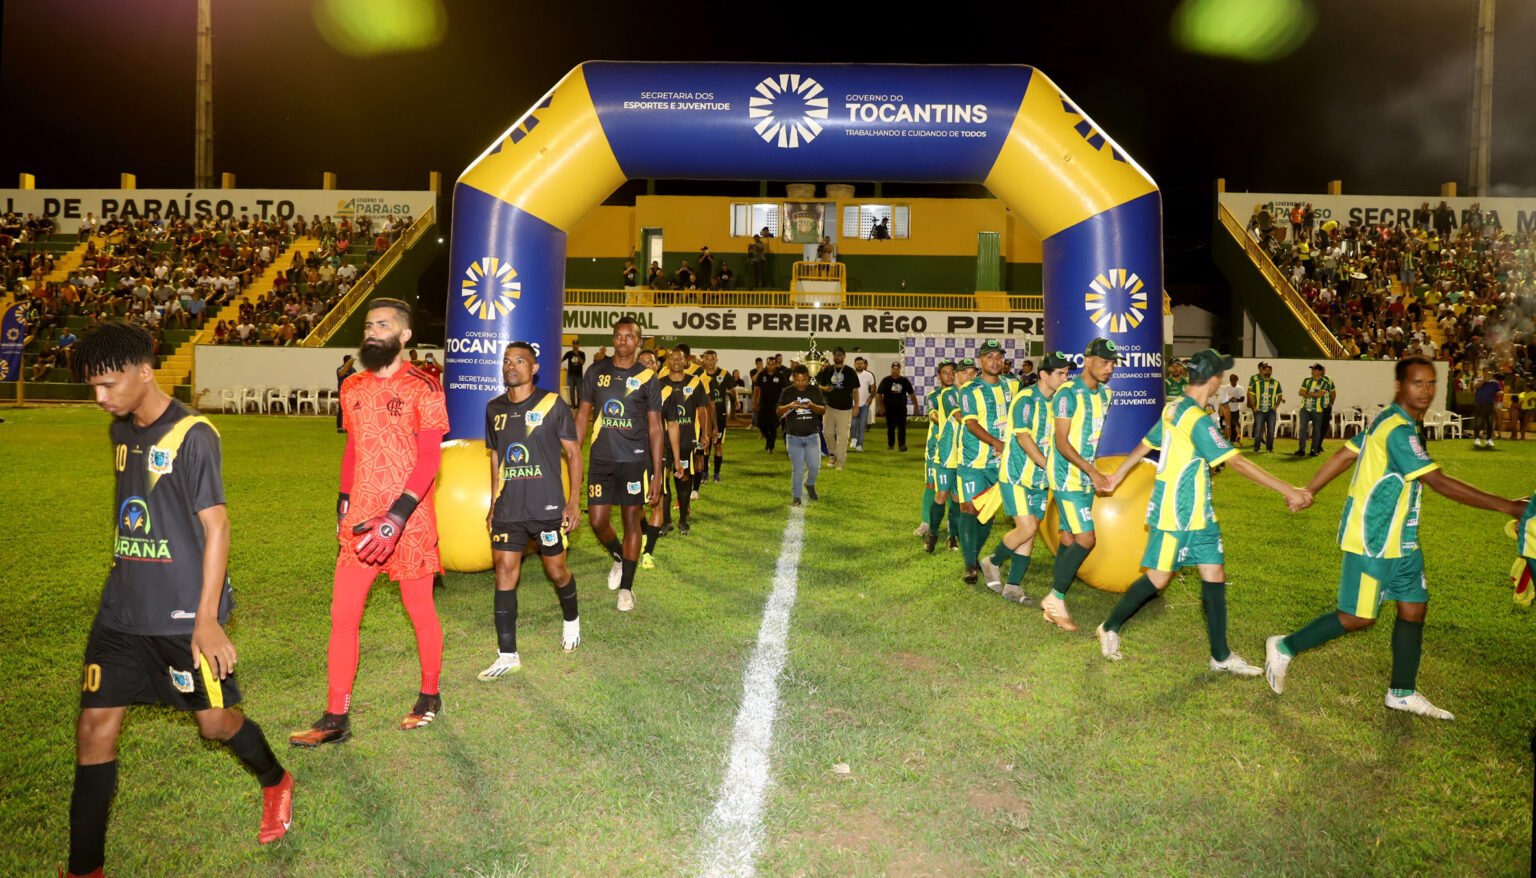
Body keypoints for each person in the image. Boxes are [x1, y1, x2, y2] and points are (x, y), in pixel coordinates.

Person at [64, 322, 293, 877]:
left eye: (109, 384)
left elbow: (217, 526)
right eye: (93, 387)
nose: (100, 398)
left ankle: (276, 780)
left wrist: (206, 619)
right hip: (121, 612)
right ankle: (84, 869)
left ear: (145, 372)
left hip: (182, 616)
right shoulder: (121, 431)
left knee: (215, 725)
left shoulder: (194, 434)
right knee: (94, 732)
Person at [1264, 357, 1526, 719]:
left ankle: (1402, 692)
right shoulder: (1398, 430)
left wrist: (1310, 490)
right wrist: (1509, 506)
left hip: (1403, 539)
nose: (1426, 390)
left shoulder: (1389, 420)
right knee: (1357, 617)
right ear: (1399, 385)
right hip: (1373, 539)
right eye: (1417, 383)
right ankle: (1284, 647)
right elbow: (1437, 481)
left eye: (1431, 383)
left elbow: (1346, 453)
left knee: (1414, 608)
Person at [291, 298, 448, 747]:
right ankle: (335, 716)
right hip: (361, 517)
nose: (373, 331)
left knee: (419, 610)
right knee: (343, 616)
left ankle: (429, 696)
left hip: (409, 519)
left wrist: (397, 516)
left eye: (383, 325)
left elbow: (430, 457)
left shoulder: (425, 386)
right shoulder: (353, 386)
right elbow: (354, 448)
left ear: (404, 335)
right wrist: (343, 503)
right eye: (368, 325)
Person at [1098, 350, 1311, 671]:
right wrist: (1289, 490)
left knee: (1214, 573)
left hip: (1199, 512)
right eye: (1220, 376)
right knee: (1158, 578)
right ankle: (1109, 626)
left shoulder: (1174, 407)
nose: (1220, 382)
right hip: (1175, 512)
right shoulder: (1195, 419)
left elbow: (1147, 442)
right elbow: (1237, 462)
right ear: (1212, 379)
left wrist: (1118, 475)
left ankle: (1221, 656)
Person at [479, 342, 584, 680]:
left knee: (557, 571)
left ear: (534, 368)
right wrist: (494, 503)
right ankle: (507, 654)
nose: (512, 366)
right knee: (504, 572)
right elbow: (496, 457)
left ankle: (571, 620)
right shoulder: (494, 408)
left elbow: (573, 453)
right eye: (507, 361)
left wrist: (573, 501)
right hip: (509, 507)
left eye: (520, 361)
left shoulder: (553, 404)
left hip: (547, 506)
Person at [574, 317, 664, 612]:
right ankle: (618, 556)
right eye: (618, 335)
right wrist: (573, 453)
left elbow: (655, 428)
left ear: (639, 342)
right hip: (601, 459)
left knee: (631, 520)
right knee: (597, 520)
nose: (623, 341)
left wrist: (657, 474)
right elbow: (583, 415)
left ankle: (626, 588)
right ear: (612, 339)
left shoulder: (648, 378)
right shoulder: (596, 371)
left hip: (634, 461)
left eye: (630, 336)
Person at [980, 351, 1073, 602]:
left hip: (1040, 481)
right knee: (1027, 527)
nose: (1065, 378)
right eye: (1060, 373)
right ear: (1043, 375)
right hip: (1016, 476)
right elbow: (1023, 438)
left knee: (1030, 532)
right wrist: (1048, 465)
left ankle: (1013, 586)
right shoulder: (1026, 399)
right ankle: (992, 561)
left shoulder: (1059, 403)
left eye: (1067, 373)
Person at [1041, 337, 1117, 631]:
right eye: (1104, 362)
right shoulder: (1067, 394)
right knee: (1086, 538)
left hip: (1085, 476)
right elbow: (1062, 443)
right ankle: (1055, 599)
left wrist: (1093, 472)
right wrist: (1092, 472)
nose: (1109, 368)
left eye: (1113, 364)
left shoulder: (1106, 394)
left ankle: (1055, 595)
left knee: (1070, 537)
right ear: (1087, 361)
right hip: (1066, 476)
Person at [954, 340, 1017, 586]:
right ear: (980, 361)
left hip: (999, 463)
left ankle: (974, 555)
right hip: (972, 460)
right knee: (969, 508)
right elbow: (971, 423)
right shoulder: (970, 389)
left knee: (986, 513)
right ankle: (970, 565)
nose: (995, 361)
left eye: (999, 357)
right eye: (989, 357)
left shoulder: (1013, 385)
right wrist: (996, 442)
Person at [919, 359, 959, 546]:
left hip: (957, 447)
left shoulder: (962, 394)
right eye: (945, 372)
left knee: (953, 489)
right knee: (931, 484)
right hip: (936, 446)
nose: (949, 375)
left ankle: (952, 526)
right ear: (939, 376)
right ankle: (925, 523)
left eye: (952, 372)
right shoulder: (934, 396)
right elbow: (933, 415)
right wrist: (947, 419)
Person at [777, 365, 826, 506]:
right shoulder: (787, 392)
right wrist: (790, 406)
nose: (801, 383)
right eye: (798, 380)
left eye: (804, 380)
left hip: (812, 436)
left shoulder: (814, 390)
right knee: (797, 469)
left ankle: (810, 484)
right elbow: (778, 411)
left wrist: (811, 406)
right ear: (793, 378)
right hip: (793, 437)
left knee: (815, 466)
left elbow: (823, 410)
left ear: (808, 378)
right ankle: (796, 497)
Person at [816, 347, 858, 469]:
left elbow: (855, 390)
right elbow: (818, 385)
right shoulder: (828, 370)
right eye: (835, 355)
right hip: (829, 407)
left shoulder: (850, 371)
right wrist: (825, 389)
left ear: (844, 356)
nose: (837, 357)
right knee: (827, 432)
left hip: (845, 409)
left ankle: (840, 462)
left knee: (843, 437)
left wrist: (856, 406)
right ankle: (832, 454)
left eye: (840, 355)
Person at [701, 350, 731, 483]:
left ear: (716, 360)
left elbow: (732, 388)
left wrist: (735, 401)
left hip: (720, 414)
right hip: (704, 414)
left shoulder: (723, 374)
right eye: (706, 359)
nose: (709, 361)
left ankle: (717, 474)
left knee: (718, 444)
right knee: (705, 444)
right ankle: (704, 473)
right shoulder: (699, 375)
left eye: (712, 359)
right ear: (703, 360)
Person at [876, 361, 917, 451]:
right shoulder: (886, 380)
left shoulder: (904, 380)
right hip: (889, 408)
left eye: (897, 369)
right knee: (890, 427)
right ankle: (891, 445)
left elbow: (911, 393)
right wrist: (881, 407)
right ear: (891, 369)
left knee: (902, 427)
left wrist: (916, 406)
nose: (895, 371)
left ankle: (902, 445)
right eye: (894, 369)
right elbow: (879, 394)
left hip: (901, 408)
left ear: (899, 369)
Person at [1295, 362, 1332, 457]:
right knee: (1302, 428)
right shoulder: (1307, 380)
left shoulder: (1325, 382)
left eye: (1314, 369)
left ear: (1319, 371)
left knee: (1317, 430)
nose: (1312, 371)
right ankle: (1301, 449)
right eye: (1312, 369)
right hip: (1305, 408)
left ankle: (1314, 450)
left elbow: (1319, 394)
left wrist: (1307, 393)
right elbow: (1300, 392)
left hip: (1318, 409)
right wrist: (1312, 394)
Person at [753, 354, 787, 452]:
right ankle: (768, 440)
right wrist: (754, 403)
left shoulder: (780, 376)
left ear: (775, 365)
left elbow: (784, 390)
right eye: (769, 364)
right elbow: (756, 389)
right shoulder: (762, 375)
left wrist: (782, 404)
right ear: (766, 364)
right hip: (763, 403)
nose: (770, 366)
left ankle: (771, 446)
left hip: (775, 404)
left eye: (772, 364)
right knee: (760, 423)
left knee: (773, 425)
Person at [1247, 362, 1283, 453]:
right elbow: (1251, 395)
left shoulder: (1276, 383)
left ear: (1271, 372)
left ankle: (1269, 448)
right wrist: (1254, 406)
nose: (1267, 372)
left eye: (1269, 370)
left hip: (1271, 411)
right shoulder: (1256, 383)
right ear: (1262, 371)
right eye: (1265, 370)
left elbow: (1280, 395)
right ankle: (1257, 448)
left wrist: (1276, 406)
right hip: (1259, 410)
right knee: (1258, 430)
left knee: (1271, 430)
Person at [1472, 370, 1501, 448]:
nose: (1488, 373)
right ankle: (1477, 439)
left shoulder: (1495, 383)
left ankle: (1489, 439)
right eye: (1486, 372)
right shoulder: (1478, 380)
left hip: (1490, 405)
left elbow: (1499, 391)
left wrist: (1500, 393)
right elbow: (1475, 387)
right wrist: (1484, 381)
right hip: (1479, 405)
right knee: (1478, 422)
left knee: (1490, 423)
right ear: (1483, 372)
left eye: (1489, 372)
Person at [852, 356, 875, 452]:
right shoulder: (851, 374)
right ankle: (854, 438)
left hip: (864, 404)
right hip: (853, 404)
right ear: (854, 364)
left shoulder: (869, 375)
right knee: (853, 423)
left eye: (861, 363)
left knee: (862, 425)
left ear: (864, 364)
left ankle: (859, 444)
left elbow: (873, 388)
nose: (859, 365)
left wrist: (870, 398)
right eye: (857, 363)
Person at [1217, 373, 1246, 444]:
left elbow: (1242, 399)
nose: (1234, 382)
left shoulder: (1240, 388)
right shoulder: (1225, 388)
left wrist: (1235, 400)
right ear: (1230, 380)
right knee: (1225, 424)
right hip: (1226, 408)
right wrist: (1230, 400)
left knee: (1234, 424)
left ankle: (1233, 439)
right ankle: (1224, 438)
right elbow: (1222, 399)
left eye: (1235, 380)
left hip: (1235, 409)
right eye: (1232, 380)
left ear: (1237, 380)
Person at [561, 340, 587, 408]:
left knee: (579, 391)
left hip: (579, 376)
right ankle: (573, 405)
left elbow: (582, 362)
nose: (575, 346)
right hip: (571, 375)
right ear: (572, 345)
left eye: (576, 344)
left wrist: (577, 354)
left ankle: (579, 405)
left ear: (578, 345)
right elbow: (562, 360)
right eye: (574, 344)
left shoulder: (582, 353)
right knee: (571, 391)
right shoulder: (569, 353)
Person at [334, 353, 356, 432]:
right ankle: (340, 427)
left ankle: (348, 426)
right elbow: (341, 374)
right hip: (343, 392)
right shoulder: (340, 369)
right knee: (341, 409)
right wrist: (347, 365)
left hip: (351, 393)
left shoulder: (353, 370)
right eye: (351, 361)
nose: (352, 363)